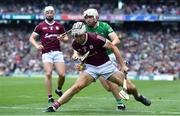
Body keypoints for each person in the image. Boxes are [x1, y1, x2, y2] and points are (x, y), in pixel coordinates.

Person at [45, 22, 151, 112]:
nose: (77, 38)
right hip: (91, 68)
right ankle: (54, 106)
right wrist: (81, 65)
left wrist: (122, 65)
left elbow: (113, 47)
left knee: (130, 88)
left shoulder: (96, 38)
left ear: (85, 33)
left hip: (106, 66)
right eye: (75, 36)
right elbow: (85, 57)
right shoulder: (75, 44)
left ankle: (138, 97)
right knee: (76, 87)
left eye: (80, 35)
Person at [72, 8, 127, 110]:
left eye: (90, 17)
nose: (88, 20)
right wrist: (75, 53)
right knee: (107, 88)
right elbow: (77, 44)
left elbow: (116, 40)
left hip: (108, 55)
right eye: (86, 17)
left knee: (109, 79)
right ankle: (122, 81)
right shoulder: (83, 29)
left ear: (96, 17)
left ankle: (120, 103)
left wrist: (106, 47)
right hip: (95, 59)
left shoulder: (104, 26)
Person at [29, 6, 68, 103]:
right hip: (46, 53)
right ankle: (50, 97)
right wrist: (37, 46)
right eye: (48, 12)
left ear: (54, 13)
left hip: (57, 52)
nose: (49, 14)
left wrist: (62, 38)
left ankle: (58, 89)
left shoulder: (59, 25)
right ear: (45, 14)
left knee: (62, 75)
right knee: (48, 73)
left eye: (51, 12)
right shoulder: (40, 26)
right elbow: (31, 38)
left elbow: (66, 39)